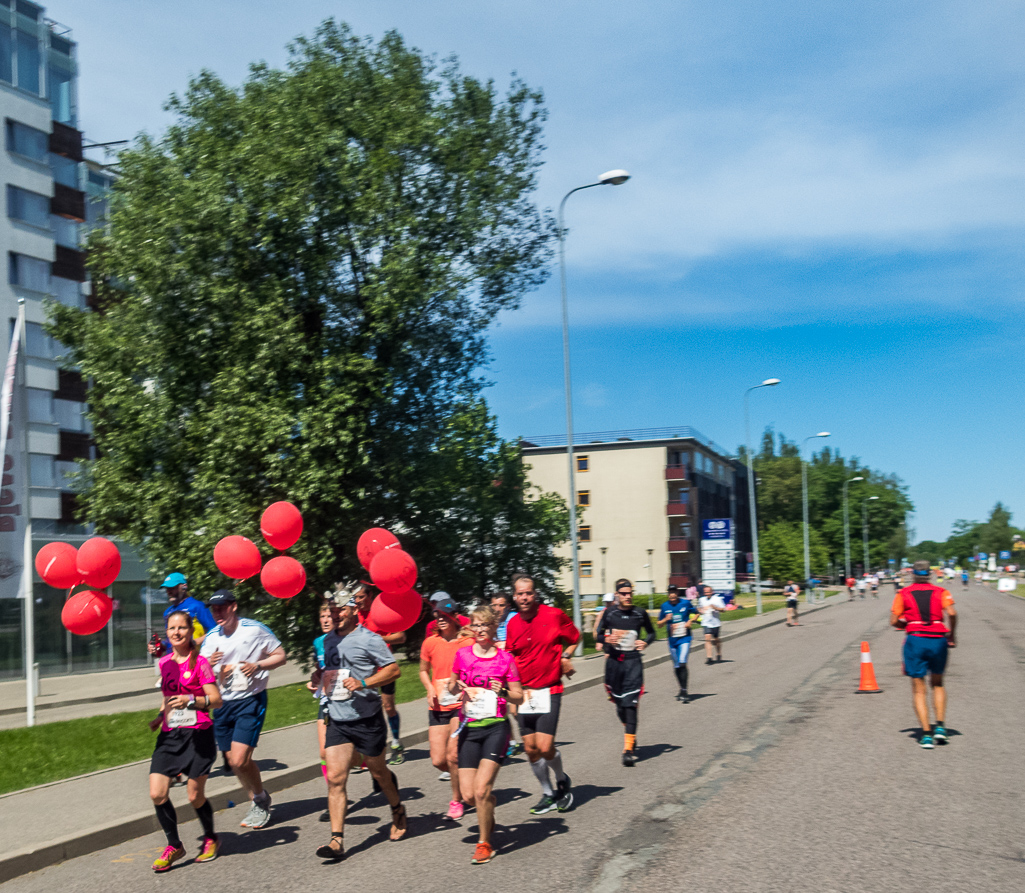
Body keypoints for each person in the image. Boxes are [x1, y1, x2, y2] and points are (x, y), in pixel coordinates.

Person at [316, 586, 406, 861]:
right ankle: (336, 840)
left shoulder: (369, 638)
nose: (336, 615)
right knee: (336, 779)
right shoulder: (327, 641)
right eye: (332, 611)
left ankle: (397, 809)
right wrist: (317, 679)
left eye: (340, 610)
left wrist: (364, 683)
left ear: (354, 609)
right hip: (338, 719)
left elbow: (393, 669)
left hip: (367, 719)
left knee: (378, 772)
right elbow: (326, 671)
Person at [199, 589, 286, 830]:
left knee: (239, 759)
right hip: (224, 703)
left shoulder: (254, 629)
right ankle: (259, 798)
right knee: (231, 760)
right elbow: (202, 673)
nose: (218, 612)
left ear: (233, 606)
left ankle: (258, 800)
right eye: (214, 609)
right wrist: (213, 668)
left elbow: (280, 656)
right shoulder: (212, 637)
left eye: (222, 607)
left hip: (251, 699)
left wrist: (257, 665)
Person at [148, 609, 223, 872]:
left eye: (181, 628)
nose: (176, 632)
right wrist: (160, 716)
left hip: (199, 735)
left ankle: (211, 838)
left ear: (190, 632)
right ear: (167, 632)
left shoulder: (200, 662)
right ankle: (174, 845)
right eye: (171, 628)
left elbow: (216, 699)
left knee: (194, 795)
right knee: (157, 793)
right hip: (170, 736)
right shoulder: (165, 662)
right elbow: (167, 696)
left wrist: (191, 701)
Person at [448, 606, 524, 865]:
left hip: (495, 728)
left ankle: (485, 843)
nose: (480, 630)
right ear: (471, 628)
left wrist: (502, 691)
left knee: (480, 790)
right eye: (476, 625)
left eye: (485, 625)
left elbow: (519, 696)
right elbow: (450, 684)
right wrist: (454, 686)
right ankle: (487, 804)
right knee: (470, 796)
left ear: (494, 628)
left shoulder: (505, 659)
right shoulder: (462, 655)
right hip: (469, 728)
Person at [505, 573, 580, 814]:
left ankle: (561, 779)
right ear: (514, 596)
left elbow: (575, 638)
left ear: (535, 594)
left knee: (546, 747)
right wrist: (513, 696)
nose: (524, 597)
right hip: (525, 693)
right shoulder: (513, 623)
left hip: (550, 689)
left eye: (528, 593)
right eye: (520, 594)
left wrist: (566, 657)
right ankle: (547, 793)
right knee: (530, 749)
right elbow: (511, 659)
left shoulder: (553, 615)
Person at [890, 560, 957, 749]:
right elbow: (951, 612)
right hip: (938, 640)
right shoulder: (941, 592)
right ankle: (941, 728)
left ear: (912, 574)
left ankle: (927, 735)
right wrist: (952, 634)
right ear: (930, 575)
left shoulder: (903, 593)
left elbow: (894, 620)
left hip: (916, 640)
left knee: (919, 689)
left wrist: (905, 625)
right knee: (938, 683)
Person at [419, 596, 473, 820]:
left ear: (454, 617)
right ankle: (465, 777)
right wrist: (429, 688)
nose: (440, 620)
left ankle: (456, 799)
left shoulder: (467, 643)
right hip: (438, 705)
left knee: (452, 756)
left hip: (459, 705)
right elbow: (423, 670)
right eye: (437, 616)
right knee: (438, 760)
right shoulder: (430, 642)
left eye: (444, 616)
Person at [596, 579, 656, 765]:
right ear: (617, 595)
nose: (627, 596)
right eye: (623, 593)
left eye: (629, 593)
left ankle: (628, 749)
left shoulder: (640, 613)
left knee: (631, 704)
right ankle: (630, 732)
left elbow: (652, 632)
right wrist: (607, 638)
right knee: (620, 706)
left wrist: (645, 642)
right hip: (614, 664)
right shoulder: (610, 613)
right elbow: (599, 634)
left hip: (633, 664)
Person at [354, 584, 408, 765]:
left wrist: (376, 638)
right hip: (362, 670)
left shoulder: (381, 612)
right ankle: (367, 751)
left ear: (370, 596)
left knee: (388, 707)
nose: (358, 601)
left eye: (361, 597)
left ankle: (396, 744)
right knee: (362, 709)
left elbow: (401, 637)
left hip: (384, 669)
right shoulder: (355, 615)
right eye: (355, 597)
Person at [308, 597, 340, 821]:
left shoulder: (345, 639)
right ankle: (333, 798)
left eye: (329, 615)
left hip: (348, 698)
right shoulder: (318, 642)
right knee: (323, 752)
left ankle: (375, 770)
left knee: (357, 754)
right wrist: (314, 680)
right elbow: (319, 671)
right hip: (327, 698)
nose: (326, 620)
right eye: (322, 616)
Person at [147, 573, 218, 658]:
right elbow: (170, 641)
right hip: (173, 662)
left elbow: (214, 631)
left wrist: (194, 642)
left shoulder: (197, 606)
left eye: (172, 588)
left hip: (193, 660)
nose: (169, 591)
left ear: (184, 587)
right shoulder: (168, 612)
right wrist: (159, 646)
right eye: (167, 588)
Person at [491, 591, 524, 757]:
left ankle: (527, 732)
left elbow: (519, 641)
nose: (497, 609)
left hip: (515, 668)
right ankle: (511, 742)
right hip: (497, 669)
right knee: (502, 709)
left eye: (501, 605)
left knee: (515, 711)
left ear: (508, 606)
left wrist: (504, 645)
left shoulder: (514, 618)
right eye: (494, 605)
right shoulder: (490, 621)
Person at [655, 584, 698, 701]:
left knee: (682, 662)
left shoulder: (685, 603)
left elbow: (697, 613)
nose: (672, 594)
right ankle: (681, 688)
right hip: (672, 641)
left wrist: (690, 621)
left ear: (677, 593)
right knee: (677, 666)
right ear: (668, 594)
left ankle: (684, 691)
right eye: (670, 592)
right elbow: (659, 625)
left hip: (685, 638)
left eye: (674, 592)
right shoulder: (664, 606)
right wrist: (665, 619)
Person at [697, 585, 726, 664]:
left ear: (712, 592)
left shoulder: (717, 599)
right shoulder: (702, 599)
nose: (707, 594)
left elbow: (723, 609)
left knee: (716, 639)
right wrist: (701, 610)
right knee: (707, 638)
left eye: (708, 592)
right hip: (706, 622)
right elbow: (699, 608)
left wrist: (715, 608)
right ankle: (709, 657)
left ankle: (718, 653)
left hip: (715, 622)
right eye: (705, 592)